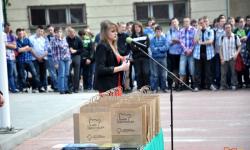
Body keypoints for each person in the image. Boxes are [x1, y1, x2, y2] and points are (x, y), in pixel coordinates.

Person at [94, 20, 130, 95]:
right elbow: (100, 69)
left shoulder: (113, 45)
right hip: (107, 86)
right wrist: (121, 67)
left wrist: (122, 60)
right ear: (105, 32)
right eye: (113, 31)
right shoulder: (102, 46)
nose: (116, 33)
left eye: (116, 31)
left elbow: (112, 62)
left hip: (116, 83)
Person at [15, 28, 45, 93]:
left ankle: (40, 87)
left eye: (22, 34)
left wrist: (22, 49)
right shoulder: (16, 41)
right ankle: (24, 87)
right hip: (20, 61)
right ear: (17, 34)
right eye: (19, 34)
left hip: (29, 60)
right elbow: (18, 50)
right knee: (22, 75)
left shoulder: (27, 40)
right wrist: (26, 48)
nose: (21, 35)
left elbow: (31, 47)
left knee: (35, 74)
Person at [193, 17, 217, 91]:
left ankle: (209, 85)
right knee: (197, 71)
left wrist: (201, 43)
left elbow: (210, 41)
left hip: (208, 54)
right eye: (199, 23)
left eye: (201, 23)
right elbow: (195, 40)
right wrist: (199, 30)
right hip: (198, 54)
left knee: (208, 71)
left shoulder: (210, 31)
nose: (200, 24)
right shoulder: (197, 31)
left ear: (205, 23)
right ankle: (197, 86)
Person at [219, 22, 241, 90]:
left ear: (231, 28)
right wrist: (221, 58)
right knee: (223, 73)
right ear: (224, 29)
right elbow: (220, 49)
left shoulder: (235, 36)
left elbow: (239, 46)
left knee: (233, 72)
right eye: (226, 28)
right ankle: (223, 85)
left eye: (229, 28)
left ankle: (234, 84)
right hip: (224, 57)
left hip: (232, 57)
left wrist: (236, 55)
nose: (228, 29)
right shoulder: (222, 37)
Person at [177, 17, 196, 92]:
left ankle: (194, 84)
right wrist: (186, 50)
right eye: (184, 21)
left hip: (191, 53)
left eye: (187, 21)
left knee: (192, 69)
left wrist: (190, 50)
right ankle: (180, 85)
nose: (185, 23)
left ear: (189, 22)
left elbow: (195, 41)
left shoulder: (194, 30)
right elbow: (180, 41)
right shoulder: (181, 31)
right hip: (183, 53)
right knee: (181, 70)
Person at [52, 27, 72, 94]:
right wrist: (56, 62)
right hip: (60, 59)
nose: (59, 33)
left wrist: (70, 58)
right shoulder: (54, 40)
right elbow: (54, 53)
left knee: (67, 74)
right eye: (57, 32)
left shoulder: (64, 39)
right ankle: (61, 89)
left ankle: (67, 88)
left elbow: (67, 49)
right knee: (61, 74)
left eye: (60, 31)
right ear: (55, 33)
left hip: (67, 58)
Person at [131, 21, 150, 89]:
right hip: (136, 58)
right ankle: (141, 88)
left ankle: (147, 88)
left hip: (145, 57)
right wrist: (142, 45)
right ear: (134, 28)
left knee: (146, 73)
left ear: (141, 27)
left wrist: (137, 46)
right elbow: (132, 48)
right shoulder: (132, 37)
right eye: (136, 27)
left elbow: (147, 46)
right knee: (139, 74)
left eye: (139, 26)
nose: (138, 28)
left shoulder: (145, 35)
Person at [150, 26, 169, 93]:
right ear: (155, 32)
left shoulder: (164, 39)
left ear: (161, 32)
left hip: (163, 58)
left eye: (159, 31)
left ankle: (164, 87)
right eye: (157, 31)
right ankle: (155, 88)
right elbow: (152, 50)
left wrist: (157, 48)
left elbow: (166, 48)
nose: (158, 33)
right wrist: (161, 48)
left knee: (163, 74)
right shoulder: (152, 40)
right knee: (155, 74)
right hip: (155, 58)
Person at [29, 25, 47, 93]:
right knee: (35, 73)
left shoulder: (44, 39)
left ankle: (41, 87)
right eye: (39, 30)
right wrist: (37, 57)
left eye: (41, 31)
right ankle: (34, 87)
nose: (40, 32)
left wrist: (41, 57)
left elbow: (46, 50)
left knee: (43, 73)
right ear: (36, 30)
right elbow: (31, 49)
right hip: (34, 58)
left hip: (43, 58)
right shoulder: (31, 38)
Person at [233, 17, 250, 88]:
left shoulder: (247, 30)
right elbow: (234, 39)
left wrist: (241, 38)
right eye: (240, 22)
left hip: (246, 52)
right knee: (239, 67)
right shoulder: (235, 31)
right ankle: (240, 82)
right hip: (238, 52)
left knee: (246, 67)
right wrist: (242, 38)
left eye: (243, 21)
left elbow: (248, 38)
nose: (242, 23)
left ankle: (247, 82)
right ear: (237, 23)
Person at [66, 28, 84, 93]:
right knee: (68, 72)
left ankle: (76, 88)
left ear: (74, 33)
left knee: (77, 73)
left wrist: (76, 51)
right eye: (70, 35)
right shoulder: (66, 39)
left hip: (77, 56)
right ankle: (69, 86)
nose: (71, 36)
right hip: (69, 56)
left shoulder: (78, 39)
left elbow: (82, 49)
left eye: (72, 35)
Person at [4, 22, 20, 93]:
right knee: (4, 74)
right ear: (4, 28)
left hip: (10, 57)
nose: (8, 29)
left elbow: (15, 46)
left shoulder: (11, 36)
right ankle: (5, 89)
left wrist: (6, 45)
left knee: (11, 74)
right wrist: (11, 45)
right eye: (7, 28)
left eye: (9, 28)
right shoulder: (2, 35)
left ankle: (13, 88)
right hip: (3, 58)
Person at [167, 18, 182, 90]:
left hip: (181, 52)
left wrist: (174, 39)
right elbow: (169, 42)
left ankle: (181, 84)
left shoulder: (182, 31)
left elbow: (182, 40)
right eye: (173, 22)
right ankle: (176, 84)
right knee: (175, 69)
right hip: (172, 53)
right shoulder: (169, 31)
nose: (174, 23)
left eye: (175, 22)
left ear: (178, 22)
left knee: (181, 69)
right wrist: (178, 40)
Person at [212, 16, 226, 88]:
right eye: (221, 21)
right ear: (218, 22)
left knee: (226, 70)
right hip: (217, 52)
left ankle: (226, 83)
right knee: (217, 69)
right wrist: (214, 50)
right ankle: (217, 83)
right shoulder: (214, 31)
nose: (223, 22)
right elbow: (212, 41)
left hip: (225, 53)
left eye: (224, 21)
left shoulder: (226, 31)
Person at [117, 22, 131, 93]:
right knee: (119, 74)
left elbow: (129, 47)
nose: (124, 29)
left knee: (127, 74)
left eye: (125, 27)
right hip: (118, 57)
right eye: (122, 27)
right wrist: (120, 56)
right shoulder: (116, 36)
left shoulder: (127, 36)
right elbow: (115, 47)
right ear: (119, 27)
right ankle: (119, 88)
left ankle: (126, 88)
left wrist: (126, 56)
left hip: (126, 58)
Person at [45, 24, 58, 92]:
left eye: (51, 30)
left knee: (59, 72)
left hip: (58, 56)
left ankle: (59, 85)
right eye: (48, 30)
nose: (50, 31)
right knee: (52, 73)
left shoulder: (57, 36)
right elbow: (47, 48)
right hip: (50, 57)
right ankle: (56, 86)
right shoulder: (47, 38)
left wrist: (52, 46)